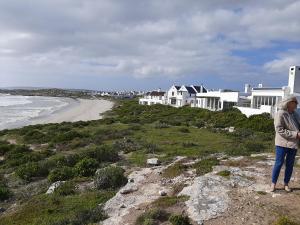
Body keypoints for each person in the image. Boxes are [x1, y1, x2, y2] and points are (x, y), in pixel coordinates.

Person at [271, 95, 300, 192]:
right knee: (278, 163)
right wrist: (295, 135)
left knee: (290, 165)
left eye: (296, 102)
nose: (296, 104)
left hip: (293, 144)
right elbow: (279, 129)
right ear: (288, 102)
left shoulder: (295, 114)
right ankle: (273, 184)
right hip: (282, 143)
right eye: (294, 102)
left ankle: (286, 184)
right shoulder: (280, 113)